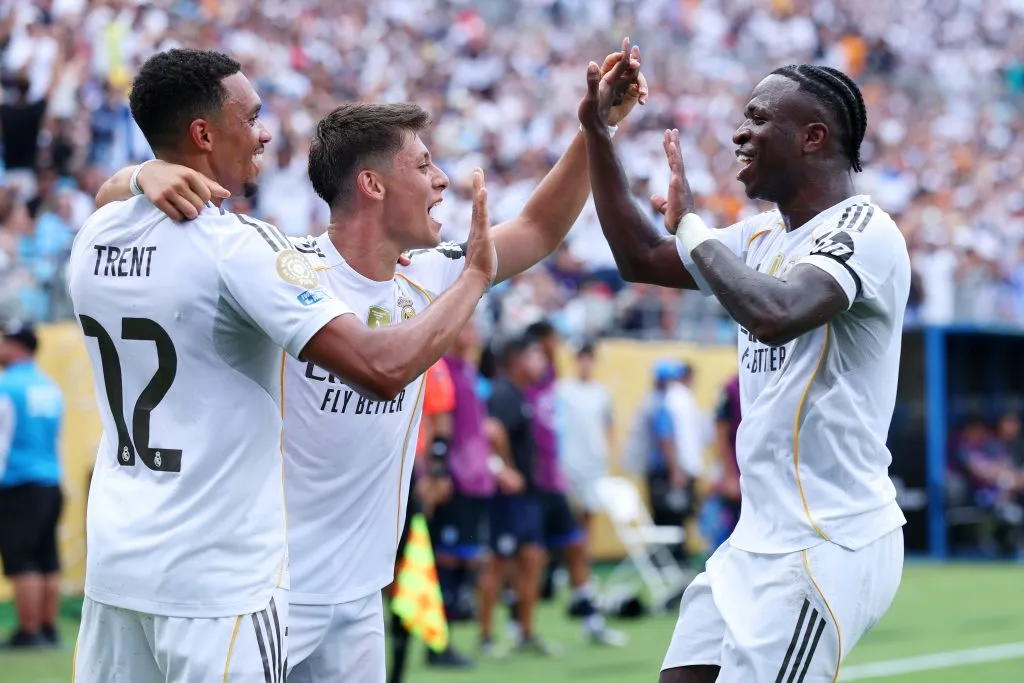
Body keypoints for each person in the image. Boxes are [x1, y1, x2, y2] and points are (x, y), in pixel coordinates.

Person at [99, 45, 647, 683]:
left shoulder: (432, 274)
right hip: (266, 589)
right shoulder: (283, 270)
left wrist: (596, 127)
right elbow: (130, 213)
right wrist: (138, 176)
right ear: (372, 183)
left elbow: (540, 226)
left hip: (360, 593)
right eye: (424, 163)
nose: (442, 179)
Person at [70, 48, 496, 683]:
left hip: (116, 570)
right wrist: (475, 280)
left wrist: (138, 176)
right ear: (204, 134)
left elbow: (114, 195)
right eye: (253, 115)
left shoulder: (95, 235)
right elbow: (381, 368)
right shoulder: (240, 248)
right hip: (220, 584)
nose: (265, 131)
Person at [580, 39, 909, 682]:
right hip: (756, 541)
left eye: (759, 118)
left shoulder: (865, 230)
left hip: (829, 541)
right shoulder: (761, 235)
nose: (739, 132)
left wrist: (693, 227)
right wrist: (597, 131)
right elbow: (640, 259)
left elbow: (777, 312)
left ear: (814, 137)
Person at [524, 320, 625, 646]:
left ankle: (581, 600)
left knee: (581, 537)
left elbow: (608, 428)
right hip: (563, 474)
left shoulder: (600, 394)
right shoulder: (561, 390)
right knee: (552, 546)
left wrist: (607, 458)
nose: (584, 361)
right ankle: (527, 622)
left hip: (589, 470)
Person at [0, 323, 64, 649]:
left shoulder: (7, 387)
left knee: (21, 559)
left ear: (15, 347)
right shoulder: (49, 386)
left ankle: (28, 631)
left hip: (19, 484)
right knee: (46, 558)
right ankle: (48, 628)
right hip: (51, 483)